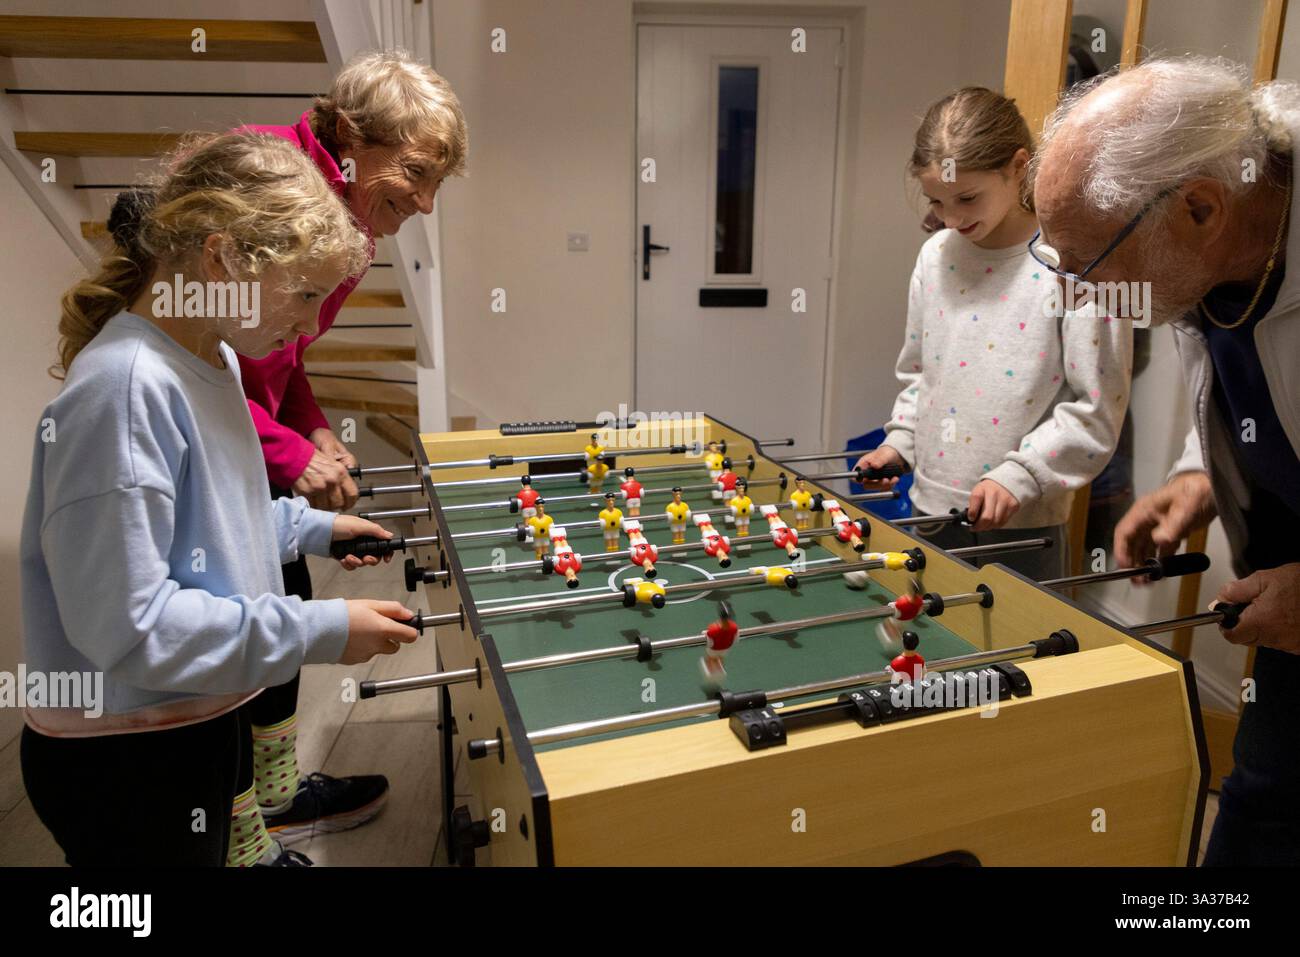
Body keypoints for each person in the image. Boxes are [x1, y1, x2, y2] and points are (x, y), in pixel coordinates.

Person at [19, 133, 418, 867]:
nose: (306, 325)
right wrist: (318, 628)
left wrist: (314, 527)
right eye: (303, 294)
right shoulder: (126, 389)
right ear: (220, 259)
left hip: (197, 714)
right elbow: (133, 627)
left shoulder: (216, 358)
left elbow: (216, 519)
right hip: (124, 757)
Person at [1031, 56, 1300, 865]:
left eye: (1087, 261)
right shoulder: (1213, 246)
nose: (1075, 292)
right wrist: (1199, 474)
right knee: (1259, 808)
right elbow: (1245, 372)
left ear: (1200, 207)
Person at [233, 50, 468, 854]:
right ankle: (238, 835)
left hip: (246, 459)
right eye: (415, 172)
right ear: (349, 133)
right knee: (232, 659)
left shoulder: (350, 221)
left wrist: (312, 429)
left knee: (286, 591)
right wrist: (281, 449)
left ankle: (277, 796)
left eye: (438, 182)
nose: (426, 203)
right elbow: (190, 354)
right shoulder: (267, 179)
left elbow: (280, 353)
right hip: (206, 459)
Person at [855, 88, 1131, 581]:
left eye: (967, 198)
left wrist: (1021, 474)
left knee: (1023, 658)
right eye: (936, 201)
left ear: (1018, 166)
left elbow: (1096, 411)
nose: (952, 218)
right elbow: (921, 376)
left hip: (1023, 530)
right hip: (929, 512)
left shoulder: (1076, 264)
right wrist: (899, 444)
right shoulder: (936, 255)